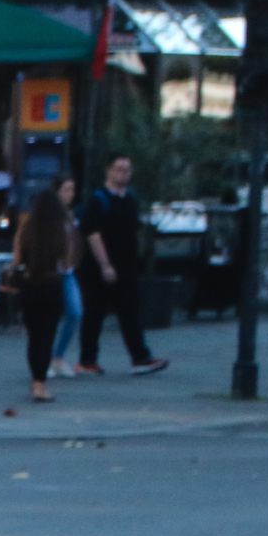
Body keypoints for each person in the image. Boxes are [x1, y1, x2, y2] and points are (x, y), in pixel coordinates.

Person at [77, 156, 168, 376]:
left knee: (129, 312)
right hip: (100, 267)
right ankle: (87, 360)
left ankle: (140, 358)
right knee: (95, 312)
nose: (124, 174)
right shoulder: (99, 200)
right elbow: (92, 233)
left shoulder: (131, 200)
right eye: (119, 169)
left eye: (127, 170)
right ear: (109, 171)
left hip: (126, 266)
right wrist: (104, 264)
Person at [12, 186, 74, 404]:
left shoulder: (25, 230)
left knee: (33, 335)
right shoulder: (61, 232)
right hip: (51, 285)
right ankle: (40, 384)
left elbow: (16, 261)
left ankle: (34, 379)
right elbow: (67, 263)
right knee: (47, 336)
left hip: (29, 286)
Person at [48, 176, 84, 377]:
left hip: (67, 271)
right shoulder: (48, 216)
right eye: (66, 190)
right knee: (50, 317)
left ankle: (58, 357)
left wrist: (73, 258)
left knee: (75, 312)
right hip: (52, 272)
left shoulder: (70, 215)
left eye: (72, 190)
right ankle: (46, 359)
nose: (70, 194)